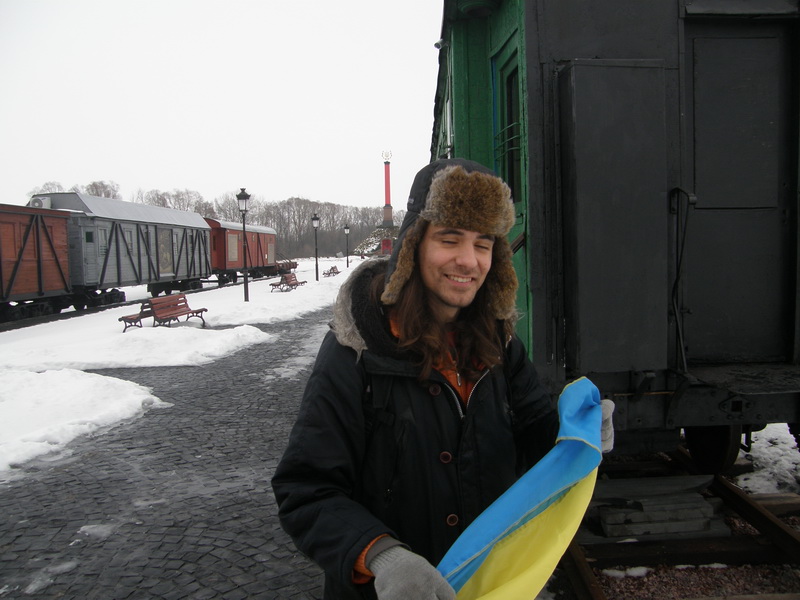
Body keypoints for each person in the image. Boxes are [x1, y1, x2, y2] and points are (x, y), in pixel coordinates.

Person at [272, 158, 605, 600]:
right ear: (413, 246)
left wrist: (578, 434)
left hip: (488, 587)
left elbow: (536, 438)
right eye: (450, 239)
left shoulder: (500, 344)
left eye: (483, 244)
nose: (468, 260)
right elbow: (305, 489)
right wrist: (380, 555)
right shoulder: (357, 352)